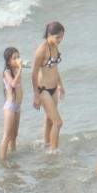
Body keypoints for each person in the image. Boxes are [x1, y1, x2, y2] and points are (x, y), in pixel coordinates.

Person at [31, 22, 65, 152]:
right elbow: (33, 74)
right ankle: (54, 152)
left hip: (54, 88)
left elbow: (55, 68)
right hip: (43, 90)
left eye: (62, 37)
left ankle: (47, 145)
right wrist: (36, 96)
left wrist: (61, 85)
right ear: (49, 35)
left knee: (50, 120)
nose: (60, 40)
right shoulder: (41, 51)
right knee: (58, 122)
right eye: (58, 37)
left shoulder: (55, 46)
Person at [0, 46, 22, 160]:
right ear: (8, 61)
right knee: (7, 135)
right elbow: (13, 84)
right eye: (14, 58)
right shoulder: (6, 72)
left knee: (14, 135)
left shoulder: (16, 70)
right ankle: (3, 159)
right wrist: (20, 70)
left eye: (18, 57)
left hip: (18, 106)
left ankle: (13, 154)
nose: (17, 59)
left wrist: (19, 69)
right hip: (10, 107)